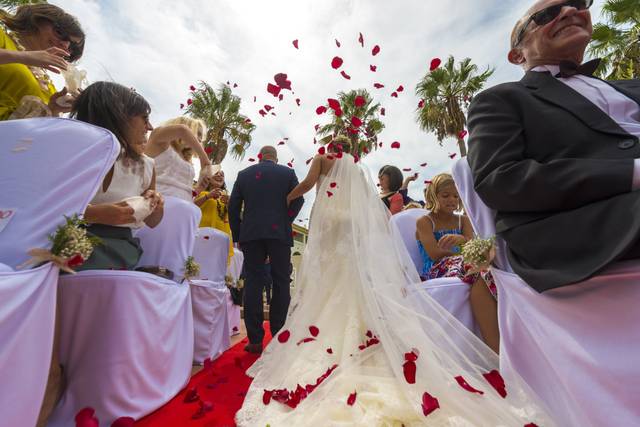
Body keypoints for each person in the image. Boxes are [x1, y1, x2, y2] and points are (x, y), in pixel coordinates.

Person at [235, 140, 551, 426]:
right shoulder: (356, 169)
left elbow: (306, 184)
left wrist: (282, 203)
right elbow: (370, 204)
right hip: (347, 224)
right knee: (346, 278)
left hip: (328, 219)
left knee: (315, 280)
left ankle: (279, 333)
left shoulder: (322, 158)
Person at [467, 0, 640, 293]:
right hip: (587, 223)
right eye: (548, 14)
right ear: (517, 54)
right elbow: (500, 179)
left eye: (576, 4)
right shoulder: (501, 99)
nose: (569, 12)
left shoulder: (631, 86)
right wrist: (632, 172)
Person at [72, 82, 164, 271]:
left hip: (119, 249)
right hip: (69, 242)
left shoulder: (146, 165)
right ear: (119, 116)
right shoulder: (78, 153)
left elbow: (153, 222)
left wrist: (157, 204)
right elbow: (46, 207)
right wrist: (95, 214)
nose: (150, 127)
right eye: (144, 118)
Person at [228, 145, 304, 354]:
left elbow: (233, 206)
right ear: (275, 158)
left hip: (251, 233)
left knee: (253, 281)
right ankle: (279, 334)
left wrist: (238, 234)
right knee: (281, 280)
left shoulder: (244, 175)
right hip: (279, 232)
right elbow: (299, 199)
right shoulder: (287, 173)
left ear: (261, 157)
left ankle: (254, 339)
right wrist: (286, 220)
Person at [416, 173, 499, 353]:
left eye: (455, 196)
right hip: (438, 268)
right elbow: (434, 253)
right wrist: (461, 249)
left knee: (488, 269)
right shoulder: (425, 222)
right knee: (478, 269)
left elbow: (473, 247)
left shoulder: (463, 220)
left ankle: (502, 339)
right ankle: (495, 348)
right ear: (433, 196)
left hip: (463, 262)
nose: (451, 200)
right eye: (445, 195)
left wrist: (461, 240)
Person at [0, 4, 85, 120]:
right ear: (36, 20)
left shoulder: (49, 85)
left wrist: (54, 109)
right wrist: (22, 56)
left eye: (72, 46)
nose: (65, 45)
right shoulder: (2, 37)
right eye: (60, 32)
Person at [144, 116, 212, 202]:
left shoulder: (186, 159)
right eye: (197, 133)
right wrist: (204, 158)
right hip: (158, 203)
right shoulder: (159, 140)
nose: (199, 139)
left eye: (201, 136)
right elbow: (182, 130)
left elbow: (185, 192)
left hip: (183, 207)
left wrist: (199, 188)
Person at [195, 167, 234, 261]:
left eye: (222, 174)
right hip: (203, 234)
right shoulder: (200, 193)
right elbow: (192, 205)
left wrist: (230, 204)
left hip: (221, 235)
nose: (219, 175)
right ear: (208, 177)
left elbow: (231, 217)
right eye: (216, 173)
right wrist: (208, 196)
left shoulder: (226, 197)